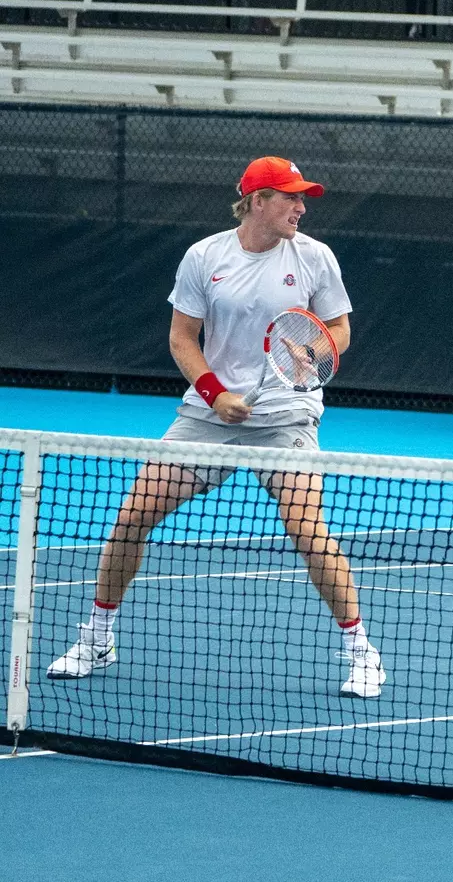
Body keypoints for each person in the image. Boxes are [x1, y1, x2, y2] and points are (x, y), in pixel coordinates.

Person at [47, 156, 386, 699]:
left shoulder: (315, 257)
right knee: (132, 517)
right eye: (290, 197)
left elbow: (340, 330)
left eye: (303, 198)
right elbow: (183, 337)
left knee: (307, 531)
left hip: (287, 418)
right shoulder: (204, 256)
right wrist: (217, 394)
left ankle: (361, 652)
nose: (301, 206)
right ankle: (98, 637)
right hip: (208, 416)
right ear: (256, 201)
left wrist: (315, 351)